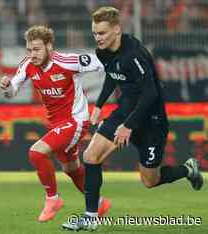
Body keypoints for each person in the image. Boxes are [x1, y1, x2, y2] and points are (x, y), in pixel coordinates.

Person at [62, 6, 204, 231]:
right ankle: (90, 216)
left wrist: (128, 126)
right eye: (94, 33)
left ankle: (188, 170)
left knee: (150, 180)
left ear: (116, 30)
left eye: (102, 33)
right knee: (90, 156)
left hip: (151, 120)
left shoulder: (134, 54)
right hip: (124, 111)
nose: (97, 38)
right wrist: (99, 106)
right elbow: (111, 74)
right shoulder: (103, 51)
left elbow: (150, 94)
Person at [0, 25, 111, 222]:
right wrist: (7, 87)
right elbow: (11, 92)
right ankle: (99, 203)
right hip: (56, 124)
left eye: (36, 49)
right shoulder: (28, 65)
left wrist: (125, 71)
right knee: (71, 169)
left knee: (36, 152)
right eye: (29, 50)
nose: (32, 54)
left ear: (49, 46)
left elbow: (102, 62)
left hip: (75, 121)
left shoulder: (67, 61)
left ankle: (53, 199)